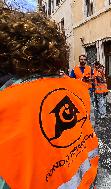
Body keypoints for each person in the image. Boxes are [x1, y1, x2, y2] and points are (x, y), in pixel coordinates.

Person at [0, 8, 99, 188]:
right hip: (86, 180)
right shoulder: (77, 85)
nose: (84, 61)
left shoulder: (6, 102)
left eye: (85, 59)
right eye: (82, 58)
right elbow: (88, 132)